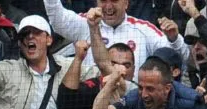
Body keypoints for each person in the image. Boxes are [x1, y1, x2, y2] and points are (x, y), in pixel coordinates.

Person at [43, 0, 189, 71]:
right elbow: (58, 19)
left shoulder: (144, 29)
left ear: (126, 3)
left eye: (114, 0)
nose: (108, 6)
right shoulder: (86, 23)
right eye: (103, 1)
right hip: (93, 103)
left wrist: (174, 39)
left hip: (133, 104)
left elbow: (179, 59)